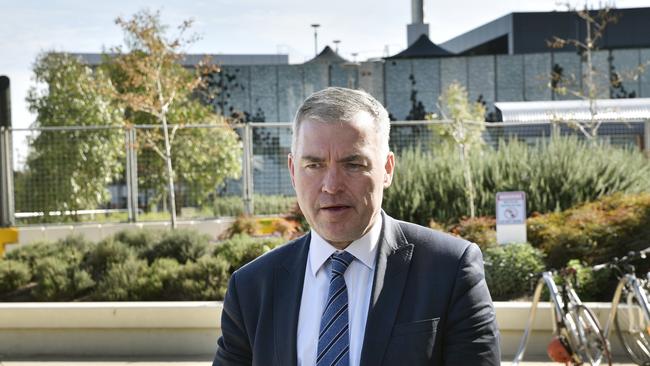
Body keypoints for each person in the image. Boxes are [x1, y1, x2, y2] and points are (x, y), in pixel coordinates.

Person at [212, 87, 500, 366]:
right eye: (314, 165)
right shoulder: (251, 287)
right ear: (292, 172)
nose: (331, 185)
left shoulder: (449, 270)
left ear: (387, 169)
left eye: (353, 164)